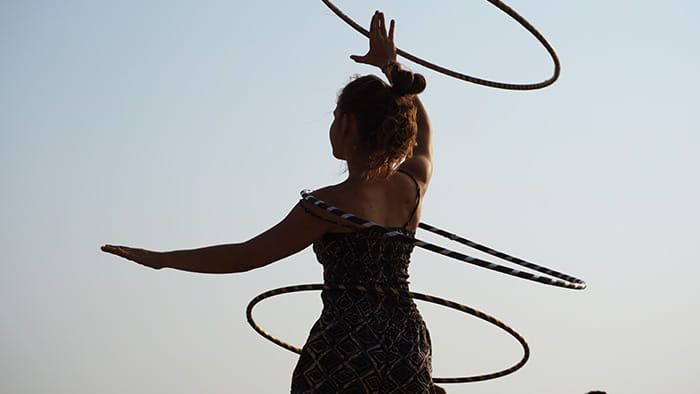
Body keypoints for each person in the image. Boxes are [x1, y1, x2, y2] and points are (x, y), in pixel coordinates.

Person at [102, 11, 442, 393]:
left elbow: (243, 257)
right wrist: (390, 67)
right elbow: (424, 132)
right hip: (406, 345)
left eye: (334, 117)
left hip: (347, 345)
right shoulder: (412, 186)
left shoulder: (326, 206)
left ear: (347, 124)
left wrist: (163, 260)